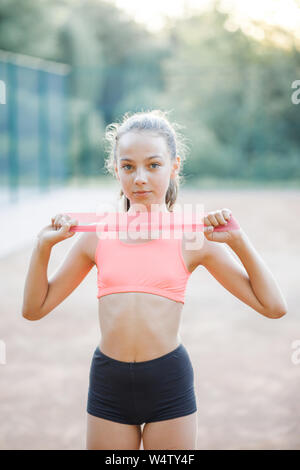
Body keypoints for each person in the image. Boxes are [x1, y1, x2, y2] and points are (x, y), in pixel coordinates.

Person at [22, 109, 288, 450]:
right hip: (109, 382)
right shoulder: (97, 234)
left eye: (153, 165)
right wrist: (42, 247)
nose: (140, 178)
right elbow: (34, 309)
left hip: (168, 382)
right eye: (128, 166)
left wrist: (239, 240)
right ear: (115, 168)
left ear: (174, 166)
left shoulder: (193, 235)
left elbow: (274, 306)